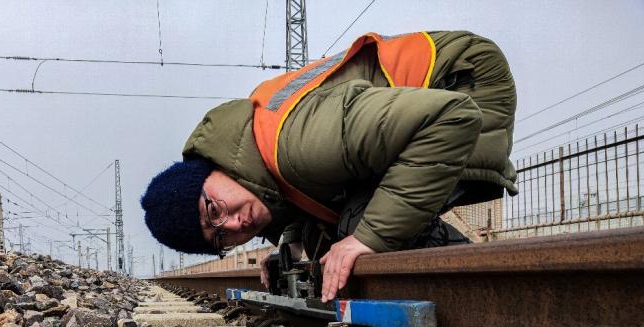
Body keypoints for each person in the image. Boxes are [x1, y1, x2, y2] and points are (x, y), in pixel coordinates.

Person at [141, 30, 517, 301]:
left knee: (357, 229)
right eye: (221, 238)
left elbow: (449, 119)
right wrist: (290, 241)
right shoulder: (257, 167)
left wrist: (368, 239)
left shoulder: (298, 145)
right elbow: (305, 200)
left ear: (212, 171)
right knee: (337, 239)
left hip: (461, 82)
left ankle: (491, 287)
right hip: (433, 103)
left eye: (214, 210)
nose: (236, 225)